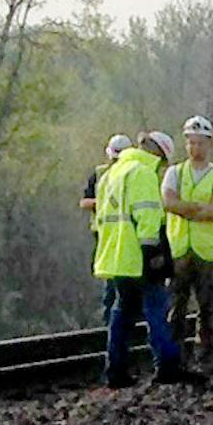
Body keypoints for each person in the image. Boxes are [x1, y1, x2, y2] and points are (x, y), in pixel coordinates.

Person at [93, 130, 202, 387]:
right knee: (156, 309)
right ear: (159, 154)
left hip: (115, 257)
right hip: (138, 257)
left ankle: (115, 371)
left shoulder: (111, 173)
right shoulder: (141, 173)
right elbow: (148, 217)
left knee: (121, 313)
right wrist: (154, 255)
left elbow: (101, 219)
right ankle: (167, 365)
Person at [163, 115, 213, 369]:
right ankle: (177, 359)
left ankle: (205, 359)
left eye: (200, 143)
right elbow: (168, 203)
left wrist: (186, 209)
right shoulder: (175, 172)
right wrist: (197, 208)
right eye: (191, 143)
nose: (195, 148)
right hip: (179, 250)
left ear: (209, 144)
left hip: (207, 252)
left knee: (207, 308)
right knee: (176, 308)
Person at [80, 133, 133, 325]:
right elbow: (84, 202)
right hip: (104, 234)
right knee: (111, 282)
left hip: (126, 234)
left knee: (121, 282)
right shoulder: (100, 174)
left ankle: (119, 322)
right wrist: (103, 201)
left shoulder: (133, 173)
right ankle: (109, 322)